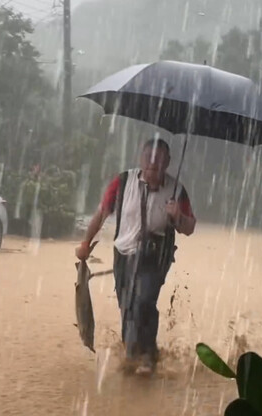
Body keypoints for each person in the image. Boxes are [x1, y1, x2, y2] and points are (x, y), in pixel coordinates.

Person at [75, 138, 196, 375]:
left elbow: (189, 227)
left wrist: (178, 216)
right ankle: (131, 353)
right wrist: (86, 243)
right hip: (123, 254)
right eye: (149, 156)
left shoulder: (176, 190)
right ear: (141, 158)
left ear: (168, 162)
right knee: (127, 305)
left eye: (159, 158)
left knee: (143, 300)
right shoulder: (122, 181)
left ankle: (149, 356)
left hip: (155, 256)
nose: (154, 162)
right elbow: (102, 213)